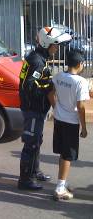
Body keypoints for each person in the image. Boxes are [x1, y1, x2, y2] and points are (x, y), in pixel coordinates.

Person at [18, 26, 72, 190]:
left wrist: (47, 85)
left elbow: (35, 82)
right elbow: (29, 86)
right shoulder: (37, 61)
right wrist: (48, 88)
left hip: (37, 109)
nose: (56, 49)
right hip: (33, 110)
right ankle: (25, 180)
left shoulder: (39, 58)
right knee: (31, 143)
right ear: (47, 43)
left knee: (36, 141)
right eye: (55, 46)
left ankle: (35, 171)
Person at [48, 51, 90, 200]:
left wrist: (56, 108)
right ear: (79, 64)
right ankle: (60, 188)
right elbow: (81, 106)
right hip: (71, 123)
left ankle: (62, 182)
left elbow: (50, 94)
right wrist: (84, 127)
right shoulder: (80, 82)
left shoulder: (58, 76)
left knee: (63, 153)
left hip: (59, 119)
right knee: (67, 155)